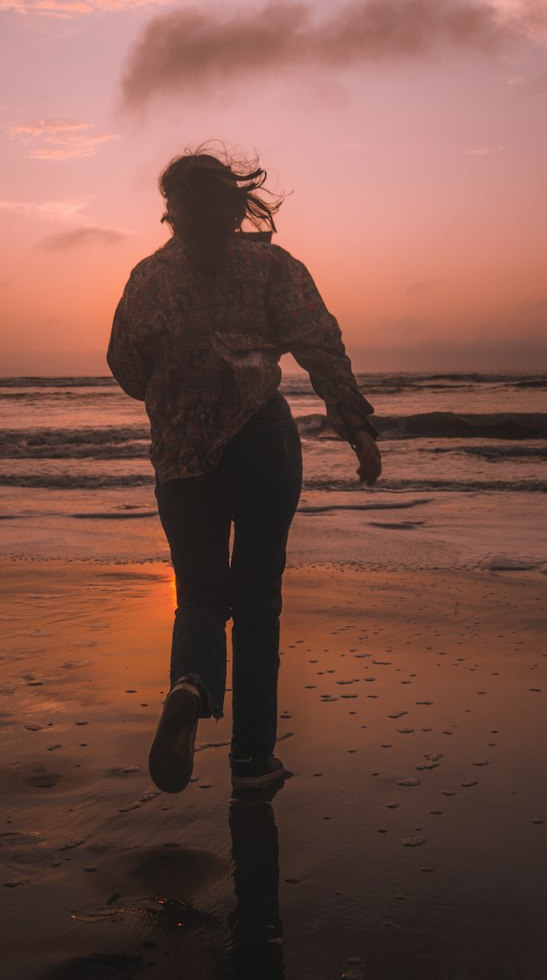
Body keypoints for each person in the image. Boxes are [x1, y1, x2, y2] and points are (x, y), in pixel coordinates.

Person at [107, 147, 381, 796]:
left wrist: (174, 390)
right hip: (262, 441)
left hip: (182, 457)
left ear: (171, 211)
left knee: (200, 595)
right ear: (236, 206)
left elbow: (124, 363)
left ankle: (190, 685)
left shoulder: (149, 276)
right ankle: (252, 762)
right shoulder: (271, 266)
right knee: (258, 603)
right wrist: (358, 427)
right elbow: (320, 346)